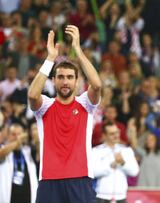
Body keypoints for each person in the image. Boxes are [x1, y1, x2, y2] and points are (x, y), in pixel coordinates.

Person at [27, 25, 102, 203]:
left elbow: (97, 85)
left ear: (77, 82)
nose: (65, 81)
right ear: (53, 81)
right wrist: (50, 58)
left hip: (81, 178)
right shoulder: (45, 105)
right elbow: (32, 95)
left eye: (70, 77)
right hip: (49, 180)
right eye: (60, 77)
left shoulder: (85, 104)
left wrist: (78, 49)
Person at [93, 121, 139, 203]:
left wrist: (122, 163)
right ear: (104, 135)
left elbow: (135, 172)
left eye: (117, 132)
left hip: (121, 197)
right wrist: (111, 165)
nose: (116, 135)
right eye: (112, 133)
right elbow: (93, 172)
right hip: (101, 196)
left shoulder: (126, 150)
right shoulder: (96, 151)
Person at [0, 123, 38, 203]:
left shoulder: (28, 151)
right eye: (13, 134)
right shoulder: (4, 149)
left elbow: (39, 155)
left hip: (28, 198)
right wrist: (18, 142)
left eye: (19, 134)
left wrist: (37, 139)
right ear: (8, 135)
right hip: (9, 198)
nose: (17, 137)